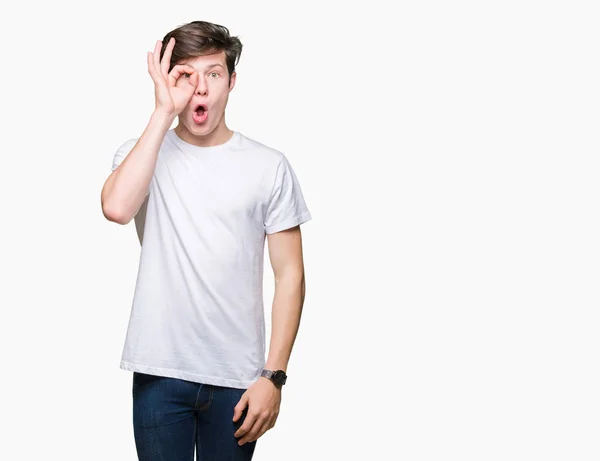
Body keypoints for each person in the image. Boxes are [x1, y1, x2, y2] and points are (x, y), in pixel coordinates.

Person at [100, 20, 312, 461]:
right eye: (185, 75)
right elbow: (117, 208)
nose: (200, 89)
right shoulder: (141, 152)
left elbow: (290, 275)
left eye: (213, 74)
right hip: (160, 373)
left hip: (239, 378)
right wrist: (162, 112)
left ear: (232, 82)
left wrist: (273, 377)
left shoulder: (268, 166)